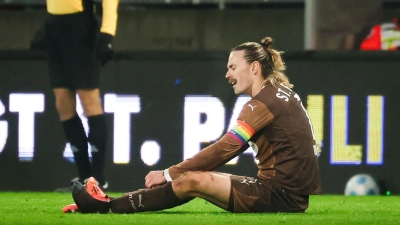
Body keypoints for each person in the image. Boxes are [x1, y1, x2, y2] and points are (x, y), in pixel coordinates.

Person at [66, 36, 322, 214]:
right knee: (192, 179)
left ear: (254, 67)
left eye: (233, 67)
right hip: (288, 193)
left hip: (278, 195)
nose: (227, 74)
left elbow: (226, 148)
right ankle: (110, 203)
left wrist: (168, 173)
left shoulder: (261, 103)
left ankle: (108, 206)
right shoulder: (279, 93)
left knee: (191, 182)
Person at [45, 0, 119, 190]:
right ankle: (84, 176)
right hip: (55, 27)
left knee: (89, 100)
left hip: (81, 27)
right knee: (63, 103)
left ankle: (99, 179)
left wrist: (107, 32)